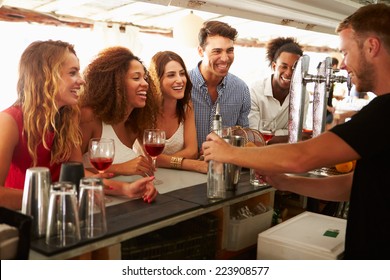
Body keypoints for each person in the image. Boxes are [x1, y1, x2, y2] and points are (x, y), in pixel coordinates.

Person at [202, 3, 390, 259]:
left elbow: (301, 156)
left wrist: (228, 152)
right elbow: (353, 186)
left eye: (345, 52)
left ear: (371, 47)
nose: (343, 65)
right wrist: (287, 182)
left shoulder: (384, 111)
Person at [0, 41, 156, 211]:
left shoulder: (66, 118)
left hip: (59, 213)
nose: (81, 81)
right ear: (46, 76)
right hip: (20, 220)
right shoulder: (8, 122)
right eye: (73, 73)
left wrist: (125, 189)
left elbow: (78, 176)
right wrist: (56, 199)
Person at [79, 46, 157, 178]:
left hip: (127, 195)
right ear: (115, 83)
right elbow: (69, 169)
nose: (145, 84)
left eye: (145, 78)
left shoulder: (133, 122)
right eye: (136, 78)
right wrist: (119, 168)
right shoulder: (90, 116)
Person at [189, 20, 251, 152]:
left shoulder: (241, 89)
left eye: (229, 50)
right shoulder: (183, 85)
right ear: (201, 51)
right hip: (185, 166)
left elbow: (244, 135)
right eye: (217, 51)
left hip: (224, 168)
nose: (225, 58)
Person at [145, 50, 208, 173]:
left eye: (182, 73)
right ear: (156, 79)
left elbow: (192, 151)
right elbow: (148, 157)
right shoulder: (144, 109)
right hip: (145, 177)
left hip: (176, 177)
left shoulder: (187, 106)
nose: (180, 80)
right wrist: (190, 164)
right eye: (171, 75)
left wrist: (164, 161)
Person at [249, 37, 308, 143]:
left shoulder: (303, 94)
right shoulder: (255, 91)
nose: (289, 73)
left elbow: (299, 130)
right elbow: (255, 136)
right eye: (284, 66)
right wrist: (287, 133)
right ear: (274, 66)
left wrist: (271, 134)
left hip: (286, 153)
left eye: (294, 68)